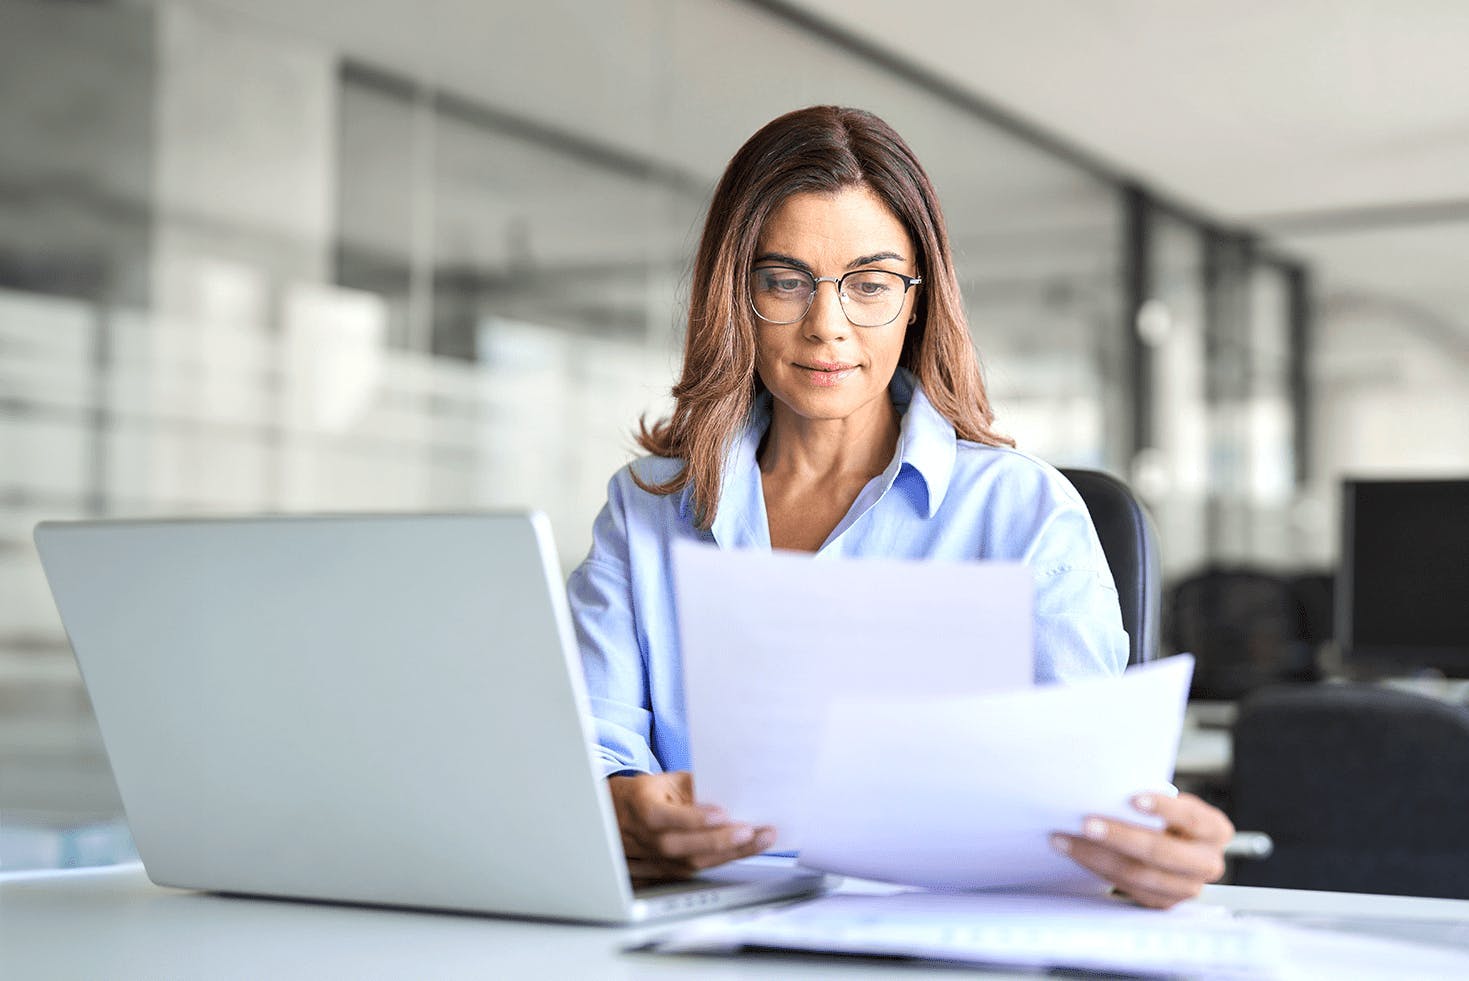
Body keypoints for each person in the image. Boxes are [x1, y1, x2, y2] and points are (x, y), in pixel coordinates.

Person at [567, 106, 1232, 909]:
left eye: (870, 285)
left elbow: (1102, 811)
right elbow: (587, 764)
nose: (826, 327)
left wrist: (1151, 855)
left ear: (916, 299)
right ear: (734, 295)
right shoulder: (645, 509)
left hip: (951, 941)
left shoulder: (1024, 514)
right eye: (783, 281)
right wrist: (616, 813)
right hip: (698, 941)